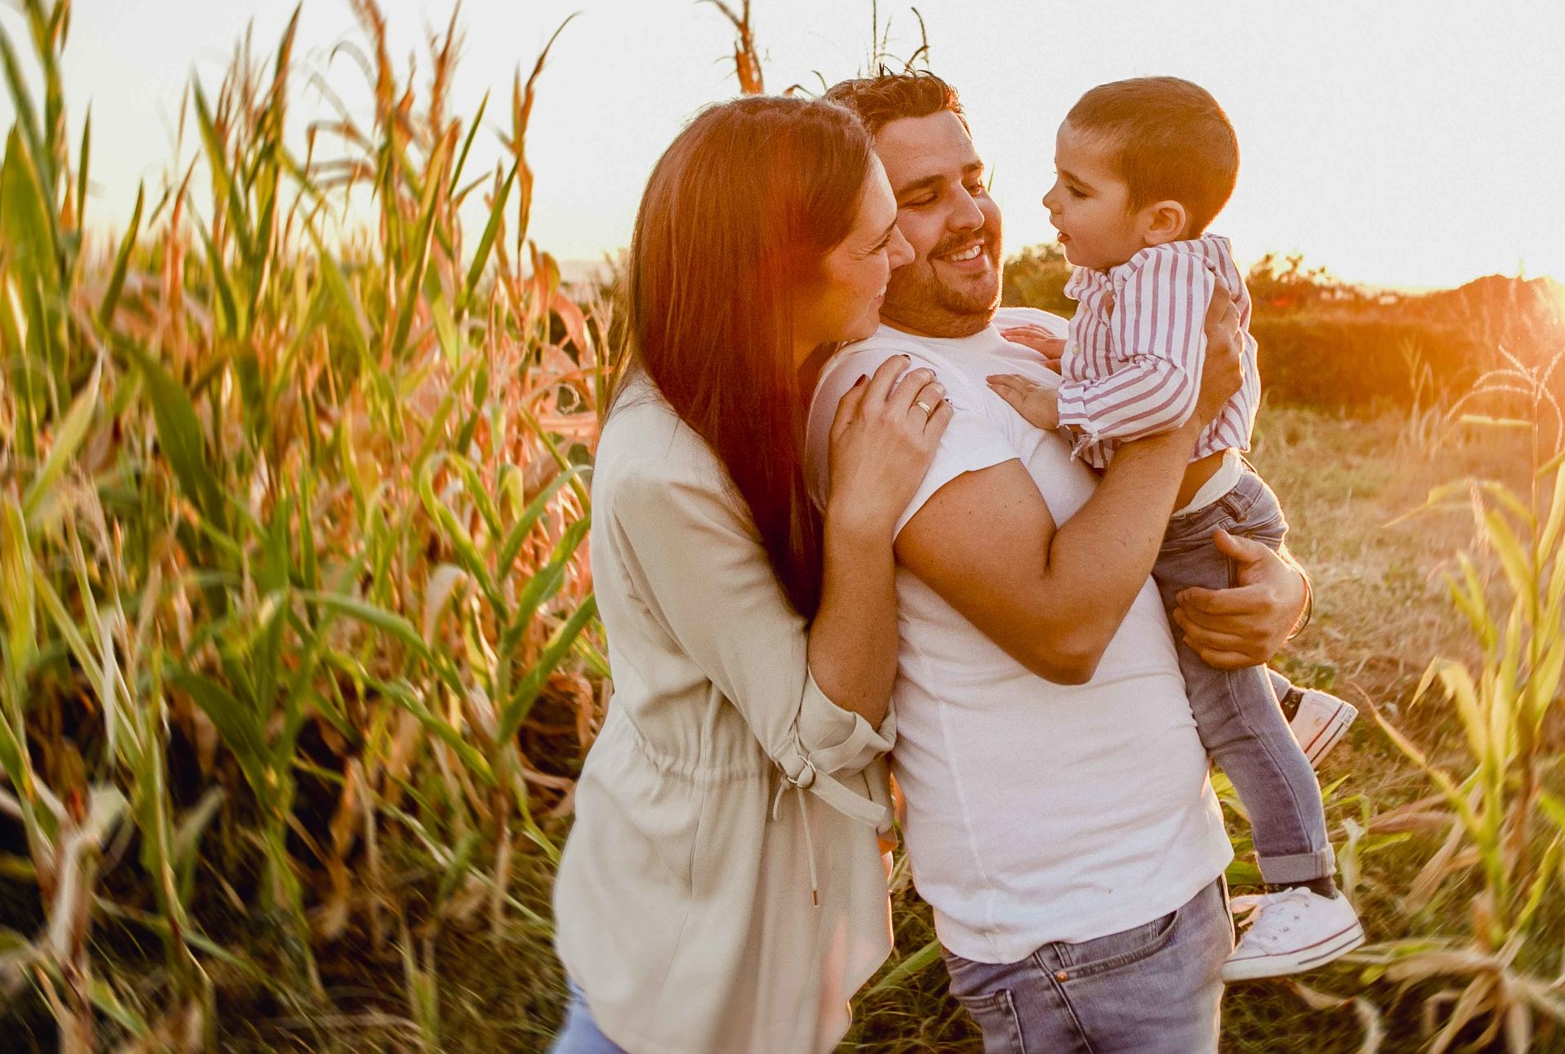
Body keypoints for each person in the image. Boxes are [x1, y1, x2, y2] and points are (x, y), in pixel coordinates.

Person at [802, 72, 1322, 1053]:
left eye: (973, 177)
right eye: (922, 198)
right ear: (856, 226)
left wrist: (1280, 591)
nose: (970, 216)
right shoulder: (889, 396)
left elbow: (1186, 507)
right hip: (1071, 922)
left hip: (1168, 871)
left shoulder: (1037, 340)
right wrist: (1170, 414)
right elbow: (1063, 626)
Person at [550, 96, 954, 1054]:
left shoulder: (797, 376)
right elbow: (813, 733)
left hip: (760, 902)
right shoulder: (664, 467)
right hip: (685, 923)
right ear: (783, 271)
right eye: (877, 242)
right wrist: (860, 519)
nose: (900, 260)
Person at [985, 77, 1364, 981]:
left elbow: (1165, 393)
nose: (1047, 201)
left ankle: (1305, 891)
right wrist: (1071, 349)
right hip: (1207, 508)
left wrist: (1060, 400)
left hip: (1200, 525)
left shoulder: (1163, 273)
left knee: (1227, 713)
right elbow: (1145, 359)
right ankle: (1295, 711)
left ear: (1158, 218)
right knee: (1231, 704)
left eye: (1076, 189)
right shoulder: (1142, 272)